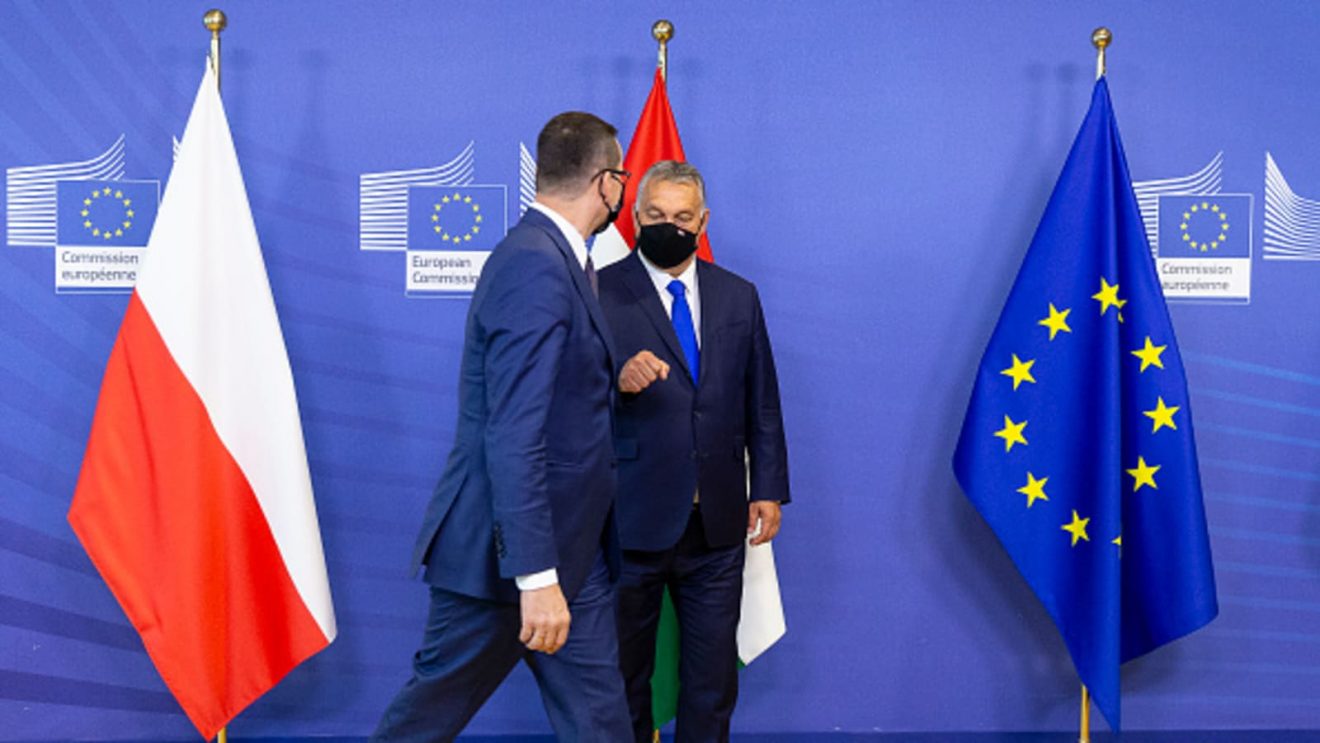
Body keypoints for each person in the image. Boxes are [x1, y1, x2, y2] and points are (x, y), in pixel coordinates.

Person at [371, 112, 633, 742]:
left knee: (601, 725)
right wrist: (536, 577)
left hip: (573, 552)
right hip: (507, 560)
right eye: (622, 178)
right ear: (606, 183)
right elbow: (515, 432)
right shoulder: (535, 264)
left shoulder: (558, 260)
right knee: (424, 723)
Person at [598, 160, 791, 742]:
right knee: (623, 678)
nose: (670, 226)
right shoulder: (597, 291)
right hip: (629, 519)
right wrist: (615, 382)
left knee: (712, 682)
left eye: (682, 218)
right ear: (635, 217)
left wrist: (768, 489)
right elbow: (564, 400)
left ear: (703, 221)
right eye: (656, 214)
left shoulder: (738, 295)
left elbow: (762, 399)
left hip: (717, 523)